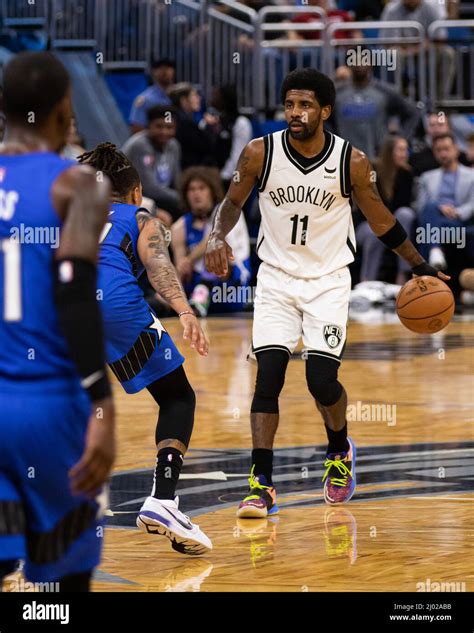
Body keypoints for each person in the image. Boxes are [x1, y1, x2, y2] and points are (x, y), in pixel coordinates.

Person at [205, 68, 448, 515]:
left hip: (328, 280)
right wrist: (217, 235)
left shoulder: (351, 161)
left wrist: (419, 265)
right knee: (268, 378)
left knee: (321, 381)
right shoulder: (259, 152)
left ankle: (338, 451)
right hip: (276, 278)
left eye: (305, 105)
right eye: (290, 105)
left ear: (325, 110)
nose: (295, 113)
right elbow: (232, 202)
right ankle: (261, 483)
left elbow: (381, 220)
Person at [0, 52, 114, 592]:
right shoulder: (77, 185)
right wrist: (102, 405)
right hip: (48, 406)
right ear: (65, 108)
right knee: (66, 588)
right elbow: (73, 294)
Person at [77, 143, 212, 555]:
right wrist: (185, 310)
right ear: (135, 191)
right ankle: (163, 501)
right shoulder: (138, 217)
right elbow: (157, 264)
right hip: (111, 302)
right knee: (177, 396)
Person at [171, 167, 251, 316]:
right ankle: (183, 305)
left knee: (218, 251)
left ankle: (200, 295)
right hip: (195, 290)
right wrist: (182, 266)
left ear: (212, 192)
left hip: (231, 288)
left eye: (202, 188)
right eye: (192, 189)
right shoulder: (179, 227)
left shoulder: (228, 213)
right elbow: (181, 267)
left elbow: (213, 238)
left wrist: (190, 259)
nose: (196, 194)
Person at [356, 136, 416, 283]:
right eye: (400, 150)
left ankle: (402, 274)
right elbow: (366, 205)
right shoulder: (372, 170)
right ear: (390, 152)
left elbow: (403, 205)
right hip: (365, 224)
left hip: (392, 223)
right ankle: (367, 281)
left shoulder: (406, 174)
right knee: (375, 233)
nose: (405, 154)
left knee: (406, 214)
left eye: (406, 150)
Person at [332, 64, 420, 161]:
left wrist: (401, 139)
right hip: (343, 157)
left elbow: (412, 113)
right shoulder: (337, 93)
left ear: (371, 65)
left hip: (378, 158)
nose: (359, 65)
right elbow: (324, 119)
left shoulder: (385, 92)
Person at [416, 132, 474, 270]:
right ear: (434, 153)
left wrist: (456, 212)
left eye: (446, 149)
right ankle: (435, 250)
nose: (443, 154)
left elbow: (472, 204)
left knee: (425, 231)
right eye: (439, 150)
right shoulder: (426, 177)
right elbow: (420, 206)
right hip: (434, 218)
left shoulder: (472, 175)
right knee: (430, 207)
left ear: (456, 149)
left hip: (458, 220)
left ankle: (427, 266)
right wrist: (439, 206)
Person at [122, 105, 181, 223]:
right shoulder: (140, 145)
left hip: (161, 198)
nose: (164, 132)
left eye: (169, 127)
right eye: (159, 127)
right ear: (148, 126)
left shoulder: (174, 145)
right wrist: (181, 197)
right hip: (131, 198)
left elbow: (176, 180)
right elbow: (149, 188)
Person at [168, 83, 216, 170]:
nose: (199, 99)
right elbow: (206, 147)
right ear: (183, 100)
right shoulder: (184, 123)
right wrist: (208, 126)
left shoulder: (178, 117)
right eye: (195, 95)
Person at [129, 58, 176, 134]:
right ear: (154, 72)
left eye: (168, 68)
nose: (164, 71)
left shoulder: (179, 96)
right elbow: (137, 127)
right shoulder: (146, 99)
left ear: (173, 71)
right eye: (160, 68)